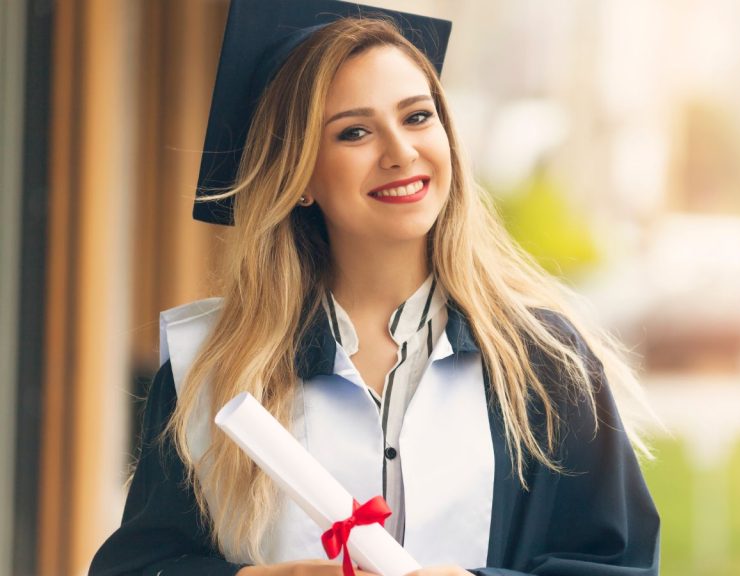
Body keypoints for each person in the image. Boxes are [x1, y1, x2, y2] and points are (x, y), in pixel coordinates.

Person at [90, 1, 660, 575]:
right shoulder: (213, 370)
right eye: (354, 132)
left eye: (417, 117)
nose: (401, 152)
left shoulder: (541, 363)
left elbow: (619, 565)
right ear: (300, 176)